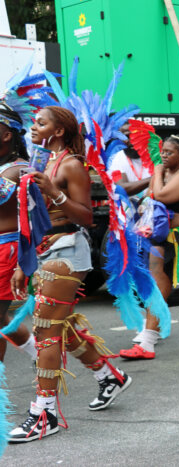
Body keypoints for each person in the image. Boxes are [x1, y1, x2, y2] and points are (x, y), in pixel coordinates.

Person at [9, 106, 132, 442]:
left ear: (59, 131)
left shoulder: (72, 164)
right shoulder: (45, 162)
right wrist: (25, 259)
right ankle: (110, 376)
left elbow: (87, 217)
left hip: (67, 252)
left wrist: (53, 192)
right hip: (45, 252)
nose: (34, 128)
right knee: (59, 326)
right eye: (33, 123)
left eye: (41, 123)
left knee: (46, 330)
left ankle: (43, 413)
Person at [119, 135, 179, 359]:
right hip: (161, 238)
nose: (164, 155)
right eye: (163, 151)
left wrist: (157, 173)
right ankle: (148, 343)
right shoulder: (162, 174)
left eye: (170, 152)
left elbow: (161, 195)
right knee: (157, 286)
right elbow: (151, 198)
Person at [0, 104, 38, 362]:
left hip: (7, 251)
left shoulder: (17, 169)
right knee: (2, 318)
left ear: (7, 134)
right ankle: (40, 354)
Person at [108, 122, 152, 200]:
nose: (128, 141)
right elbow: (121, 188)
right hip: (126, 210)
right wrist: (154, 178)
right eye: (124, 137)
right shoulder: (116, 158)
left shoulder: (156, 156)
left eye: (133, 136)